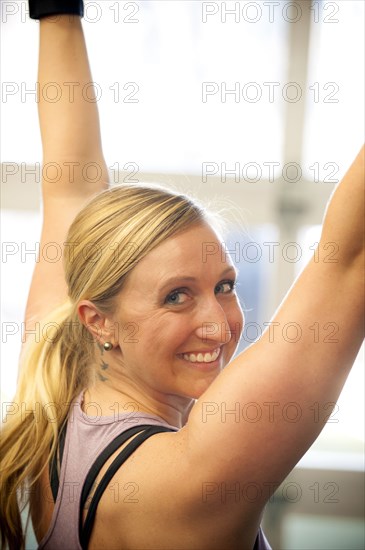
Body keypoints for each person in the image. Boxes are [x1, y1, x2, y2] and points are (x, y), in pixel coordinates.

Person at [0, 2, 364, 549]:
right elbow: (350, 259)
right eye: (177, 297)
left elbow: (70, 183)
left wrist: (57, 14)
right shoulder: (189, 481)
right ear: (99, 320)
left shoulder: (60, 387)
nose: (220, 327)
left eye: (224, 286)